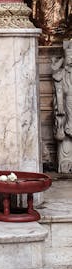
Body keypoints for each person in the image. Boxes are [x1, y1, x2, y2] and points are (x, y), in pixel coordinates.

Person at [51, 41, 72, 173]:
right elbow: (58, 93)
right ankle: (66, 162)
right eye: (69, 58)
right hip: (67, 105)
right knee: (65, 135)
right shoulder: (61, 75)